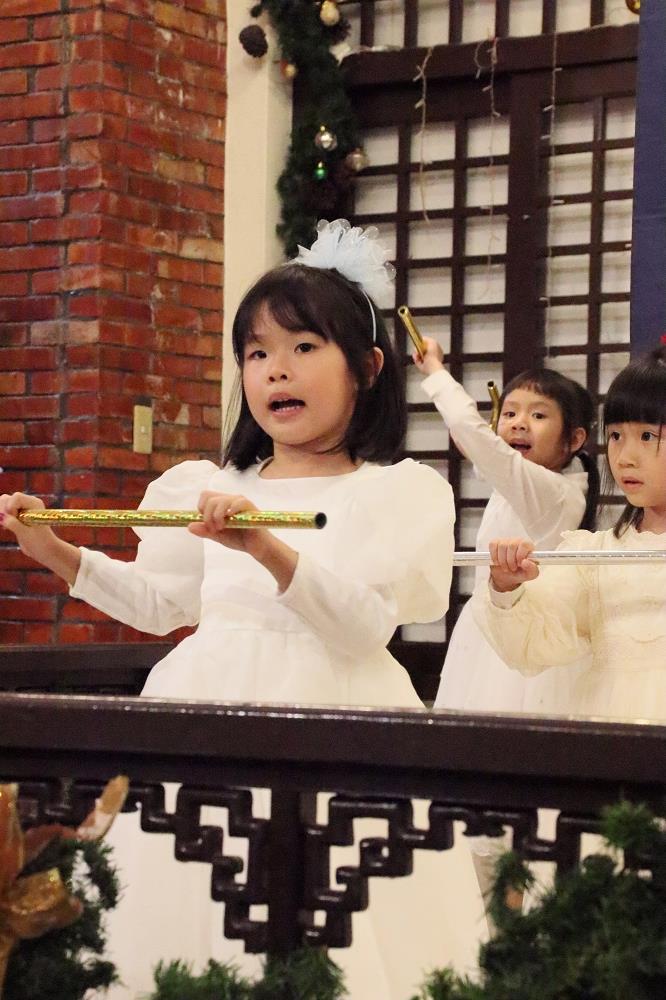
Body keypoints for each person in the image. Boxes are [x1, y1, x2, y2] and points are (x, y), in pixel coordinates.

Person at [0, 220, 485, 999]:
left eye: (303, 347)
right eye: (256, 354)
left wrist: (265, 547)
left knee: (331, 927)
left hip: (339, 728)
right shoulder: (210, 483)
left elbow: (364, 626)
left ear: (367, 368)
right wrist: (53, 549)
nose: (275, 370)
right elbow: (159, 604)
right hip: (203, 721)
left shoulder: (398, 492)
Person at [475, 344, 666, 722]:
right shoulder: (595, 556)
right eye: (616, 436)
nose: (625, 457)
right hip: (611, 733)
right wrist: (507, 587)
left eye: (647, 436)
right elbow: (535, 643)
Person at [413, 339, 599, 716]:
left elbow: (472, 434)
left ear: (574, 439)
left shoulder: (552, 491)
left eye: (538, 415)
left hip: (521, 639)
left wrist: (433, 367)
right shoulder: (528, 481)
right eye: (510, 412)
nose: (518, 423)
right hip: (489, 626)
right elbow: (474, 444)